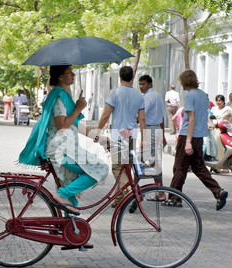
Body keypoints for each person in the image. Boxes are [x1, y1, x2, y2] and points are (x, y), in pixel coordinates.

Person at [19, 65, 108, 215]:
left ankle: (71, 234)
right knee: (100, 169)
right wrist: (79, 108)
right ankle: (62, 194)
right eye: (69, 72)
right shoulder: (59, 96)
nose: (73, 75)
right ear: (60, 76)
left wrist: (99, 138)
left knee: (71, 200)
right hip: (62, 149)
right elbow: (62, 125)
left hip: (64, 148)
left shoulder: (63, 96)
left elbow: (75, 124)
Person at [167, 70, 228, 211]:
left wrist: (187, 142)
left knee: (180, 168)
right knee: (198, 167)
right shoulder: (202, 95)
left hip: (187, 136)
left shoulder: (190, 96)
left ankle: (175, 198)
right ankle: (218, 191)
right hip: (199, 137)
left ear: (185, 81)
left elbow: (192, 119)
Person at [94, 66, 147, 207]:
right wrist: (145, 139)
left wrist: (98, 131)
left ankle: (130, 192)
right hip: (131, 135)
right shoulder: (138, 95)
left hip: (118, 134)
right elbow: (142, 119)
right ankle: (118, 201)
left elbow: (106, 114)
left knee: (117, 167)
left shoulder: (115, 93)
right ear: (132, 77)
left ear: (120, 77)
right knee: (126, 168)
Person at [136, 74, 167, 203]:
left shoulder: (148, 97)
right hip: (155, 129)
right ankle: (159, 192)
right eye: (140, 84)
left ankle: (159, 193)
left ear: (150, 84)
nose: (141, 87)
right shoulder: (158, 96)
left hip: (149, 131)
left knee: (145, 162)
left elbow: (140, 116)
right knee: (150, 162)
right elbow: (162, 117)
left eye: (143, 84)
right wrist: (163, 135)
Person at [211, 94, 232, 161]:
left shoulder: (227, 109)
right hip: (214, 130)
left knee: (222, 147)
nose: (218, 102)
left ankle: (222, 161)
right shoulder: (214, 109)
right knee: (214, 146)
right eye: (217, 101)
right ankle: (215, 163)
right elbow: (209, 117)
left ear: (223, 101)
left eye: (220, 101)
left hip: (224, 131)